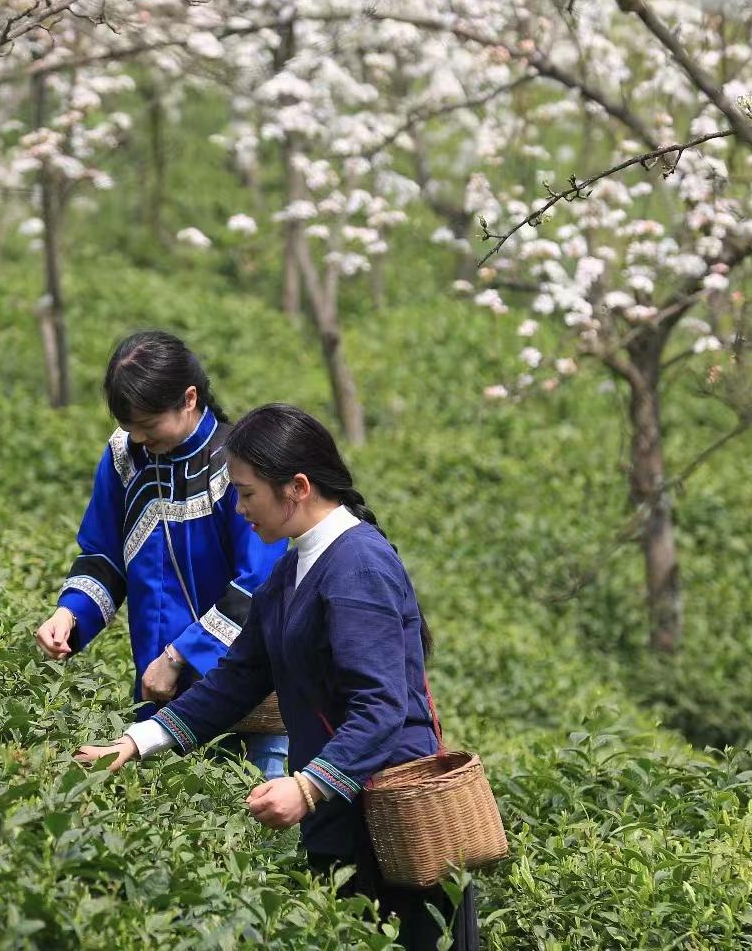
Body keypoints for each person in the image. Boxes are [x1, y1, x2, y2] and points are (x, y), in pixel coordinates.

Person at [73, 403, 479, 950]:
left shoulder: (357, 566)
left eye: (246, 493)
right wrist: (136, 741)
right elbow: (239, 677)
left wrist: (308, 788)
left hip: (395, 826)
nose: (239, 510)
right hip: (343, 821)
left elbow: (380, 710)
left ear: (298, 487)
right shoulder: (295, 566)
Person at [36, 331, 291, 778]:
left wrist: (180, 657)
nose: (139, 437)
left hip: (247, 701)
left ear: (189, 399)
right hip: (157, 697)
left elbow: (259, 584)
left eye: (149, 425)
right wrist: (69, 614)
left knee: (255, 827)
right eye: (131, 426)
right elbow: (104, 554)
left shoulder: (238, 465)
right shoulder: (126, 456)